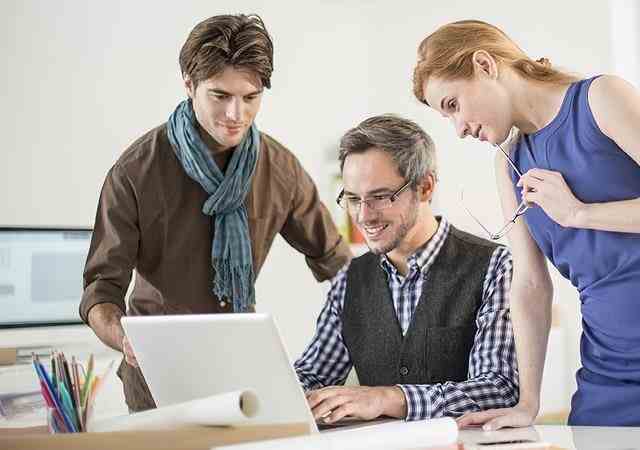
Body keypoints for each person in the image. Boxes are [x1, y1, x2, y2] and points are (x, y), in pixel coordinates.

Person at [79, 14, 351, 412]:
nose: (235, 114)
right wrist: (124, 337)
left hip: (242, 372)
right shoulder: (135, 172)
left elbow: (338, 264)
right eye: (220, 96)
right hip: (158, 374)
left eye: (250, 97)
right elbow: (101, 289)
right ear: (189, 85)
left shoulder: (280, 168)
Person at [413, 20, 640, 427]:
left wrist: (579, 214)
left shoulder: (602, 98)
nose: (459, 129)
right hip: (608, 370)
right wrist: (527, 403)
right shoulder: (509, 164)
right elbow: (530, 284)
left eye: (453, 105)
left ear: (484, 65)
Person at [294, 114, 517, 423]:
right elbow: (312, 374)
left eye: (380, 197)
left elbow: (499, 388)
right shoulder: (348, 280)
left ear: (425, 187)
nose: (363, 216)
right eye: (353, 199)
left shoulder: (494, 266)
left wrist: (388, 398)